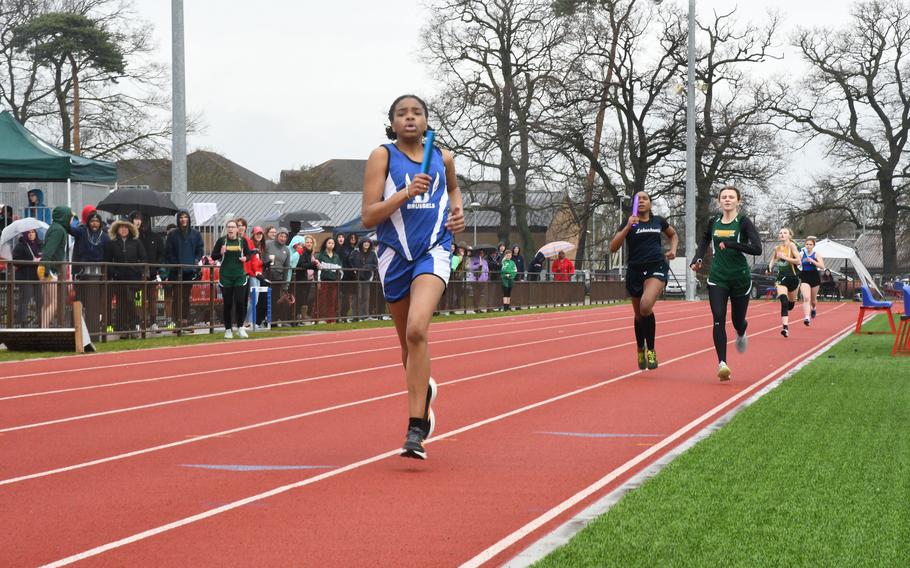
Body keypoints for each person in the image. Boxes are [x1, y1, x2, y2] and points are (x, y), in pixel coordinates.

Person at [361, 94, 465, 459]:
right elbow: (369, 216)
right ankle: (424, 393)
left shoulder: (443, 156)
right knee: (407, 346)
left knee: (418, 329)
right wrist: (406, 193)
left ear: (426, 121)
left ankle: (415, 428)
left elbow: (453, 189)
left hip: (434, 250)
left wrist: (457, 213)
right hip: (393, 256)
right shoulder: (382, 156)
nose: (409, 118)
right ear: (392, 122)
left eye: (416, 113)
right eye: (402, 113)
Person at [691, 186, 762, 381]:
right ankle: (722, 364)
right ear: (719, 201)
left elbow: (757, 248)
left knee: (737, 320)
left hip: (739, 277)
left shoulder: (744, 222)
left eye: (731, 197)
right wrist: (697, 258)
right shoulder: (714, 221)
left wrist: (732, 244)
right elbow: (705, 240)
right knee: (718, 317)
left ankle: (741, 331)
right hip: (718, 277)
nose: (728, 200)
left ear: (738, 201)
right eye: (724, 197)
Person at [609, 191, 678, 370]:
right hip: (635, 270)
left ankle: (652, 350)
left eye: (645, 199)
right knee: (639, 315)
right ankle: (640, 347)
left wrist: (673, 250)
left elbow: (673, 234)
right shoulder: (629, 222)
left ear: (650, 203)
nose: (641, 202)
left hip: (656, 267)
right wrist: (627, 228)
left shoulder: (658, 221)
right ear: (633, 204)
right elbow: (613, 247)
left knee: (646, 306)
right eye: (638, 200)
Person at [104, 220, 148, 334]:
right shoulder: (112, 243)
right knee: (121, 303)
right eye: (121, 227)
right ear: (117, 229)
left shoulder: (136, 242)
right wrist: (114, 272)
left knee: (130, 300)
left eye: (126, 227)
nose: (123, 230)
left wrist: (138, 270)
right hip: (119, 278)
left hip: (134, 278)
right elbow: (107, 261)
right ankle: (122, 327)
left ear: (130, 229)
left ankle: (133, 324)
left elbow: (144, 258)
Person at [211, 220, 251, 338]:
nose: (231, 229)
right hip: (226, 276)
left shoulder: (242, 241)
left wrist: (245, 258)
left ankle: (240, 328)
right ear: (226, 229)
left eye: (233, 227)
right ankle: (228, 329)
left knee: (240, 302)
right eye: (229, 227)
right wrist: (220, 253)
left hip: (239, 276)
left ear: (237, 229)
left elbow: (249, 255)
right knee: (227, 304)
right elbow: (213, 256)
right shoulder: (221, 241)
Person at [71, 209, 109, 333]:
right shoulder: (82, 232)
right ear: (88, 222)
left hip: (98, 275)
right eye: (92, 221)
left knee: (95, 301)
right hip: (82, 273)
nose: (94, 224)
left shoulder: (105, 237)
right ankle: (78, 327)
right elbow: (70, 229)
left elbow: (109, 254)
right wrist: (68, 217)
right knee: (80, 300)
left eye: (97, 221)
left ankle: (94, 328)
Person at [165, 210, 204, 327]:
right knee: (176, 296)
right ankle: (176, 320)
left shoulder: (196, 234)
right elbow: (169, 251)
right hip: (176, 270)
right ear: (178, 219)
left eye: (185, 217)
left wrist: (195, 260)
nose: (183, 219)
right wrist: (175, 264)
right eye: (181, 217)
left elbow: (200, 249)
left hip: (189, 270)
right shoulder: (172, 234)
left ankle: (185, 319)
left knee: (186, 296)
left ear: (188, 219)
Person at [39, 205, 75, 327]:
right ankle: (43, 329)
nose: (72, 219)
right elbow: (49, 250)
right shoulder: (58, 230)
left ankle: (42, 328)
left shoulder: (55, 227)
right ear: (65, 217)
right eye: (70, 217)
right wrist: (45, 269)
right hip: (51, 270)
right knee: (54, 302)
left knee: (47, 303)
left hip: (48, 268)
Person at [129, 211, 164, 330]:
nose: (140, 222)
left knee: (152, 298)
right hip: (137, 274)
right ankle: (139, 321)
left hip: (152, 273)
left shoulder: (155, 237)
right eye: (136, 218)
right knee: (139, 300)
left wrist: (156, 266)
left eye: (142, 219)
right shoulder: (133, 237)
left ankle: (153, 322)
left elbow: (161, 253)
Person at [769, 227, 801, 338]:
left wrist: (785, 257)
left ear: (789, 235)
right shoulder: (777, 248)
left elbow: (798, 261)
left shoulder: (792, 246)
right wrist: (769, 267)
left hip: (793, 278)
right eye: (780, 232)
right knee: (784, 301)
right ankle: (785, 328)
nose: (782, 234)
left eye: (785, 233)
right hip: (781, 278)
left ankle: (790, 305)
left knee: (790, 305)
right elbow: (774, 259)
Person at [12, 229, 42, 326]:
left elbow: (45, 255)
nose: (31, 234)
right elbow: (15, 261)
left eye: (33, 232)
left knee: (40, 299)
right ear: (25, 234)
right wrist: (31, 261)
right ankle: (21, 322)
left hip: (38, 277)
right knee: (24, 299)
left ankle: (41, 321)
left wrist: (40, 259)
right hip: (25, 277)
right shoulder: (20, 246)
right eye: (28, 233)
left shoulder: (40, 244)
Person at [349, 238, 379, 320]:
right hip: (357, 277)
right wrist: (357, 269)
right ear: (361, 243)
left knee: (366, 297)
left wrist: (367, 267)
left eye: (368, 242)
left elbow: (375, 264)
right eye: (365, 242)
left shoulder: (372, 253)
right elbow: (351, 262)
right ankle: (356, 316)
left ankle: (365, 315)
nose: (366, 244)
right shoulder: (355, 252)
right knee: (357, 297)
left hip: (367, 277)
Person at [267, 227, 292, 322]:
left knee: (276, 300)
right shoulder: (268, 244)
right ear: (277, 236)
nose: (283, 238)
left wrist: (285, 284)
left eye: (285, 237)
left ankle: (274, 320)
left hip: (278, 278)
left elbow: (287, 268)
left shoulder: (287, 250)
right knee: (266, 299)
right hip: (267, 276)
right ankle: (264, 320)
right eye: (281, 236)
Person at [798, 236, 825, 326]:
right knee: (806, 298)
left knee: (813, 300)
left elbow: (822, 266)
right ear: (805, 245)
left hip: (814, 276)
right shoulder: (801, 254)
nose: (808, 246)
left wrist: (812, 261)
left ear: (813, 246)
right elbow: (796, 262)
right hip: (804, 276)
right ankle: (806, 317)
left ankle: (813, 308)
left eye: (810, 244)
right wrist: (799, 263)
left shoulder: (816, 254)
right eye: (807, 244)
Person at [316, 236, 343, 323]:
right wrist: (318, 281)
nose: (331, 245)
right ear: (326, 244)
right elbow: (317, 269)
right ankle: (316, 318)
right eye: (329, 243)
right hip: (324, 281)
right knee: (321, 300)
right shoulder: (320, 255)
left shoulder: (336, 256)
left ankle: (330, 319)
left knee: (332, 301)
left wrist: (339, 279)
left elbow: (340, 270)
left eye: (332, 243)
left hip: (334, 282)